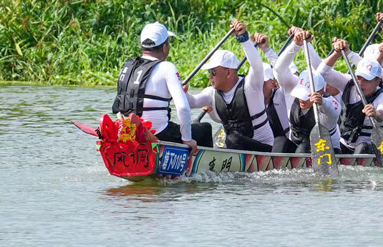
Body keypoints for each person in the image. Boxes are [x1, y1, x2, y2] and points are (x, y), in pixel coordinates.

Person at [113, 22, 212, 152]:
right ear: (165, 47)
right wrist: (187, 139)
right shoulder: (167, 67)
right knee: (205, 128)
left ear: (142, 45)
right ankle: (201, 163)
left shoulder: (128, 67)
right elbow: (183, 107)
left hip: (129, 130)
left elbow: (120, 104)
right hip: (160, 133)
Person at [192, 20, 275, 152]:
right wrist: (179, 90)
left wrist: (244, 39)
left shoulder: (250, 86)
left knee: (233, 139)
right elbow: (191, 102)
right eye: (209, 72)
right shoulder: (211, 93)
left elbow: (257, 65)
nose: (209, 76)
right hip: (236, 146)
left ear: (229, 73)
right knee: (201, 129)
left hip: (263, 149)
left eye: (212, 71)